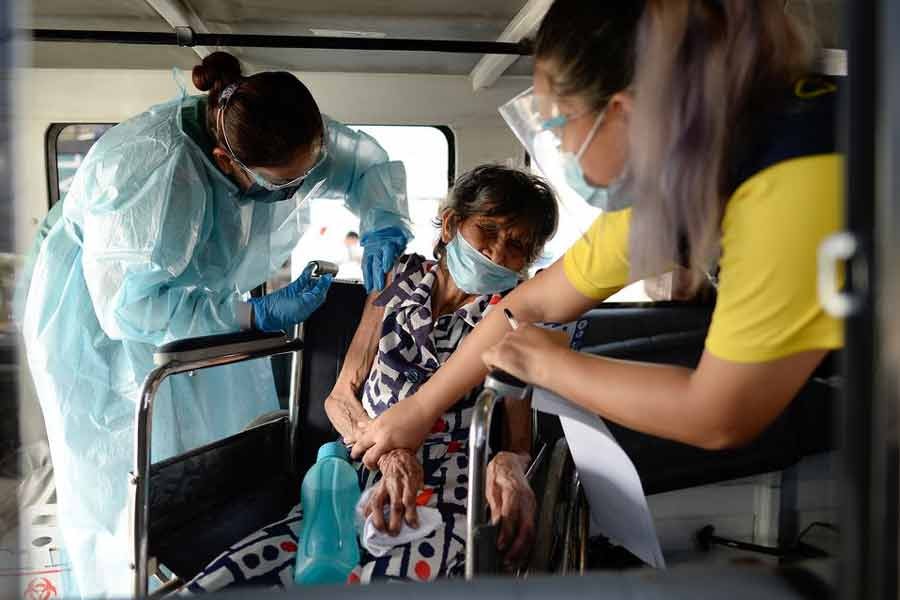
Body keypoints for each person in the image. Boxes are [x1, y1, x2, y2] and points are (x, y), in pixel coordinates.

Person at [350, 0, 842, 475]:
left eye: (559, 127)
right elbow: (533, 303)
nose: (562, 150)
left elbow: (721, 414)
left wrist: (552, 367)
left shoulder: (797, 185)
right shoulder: (689, 170)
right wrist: (419, 410)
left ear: (623, 114)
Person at [19, 51, 413, 598]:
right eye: (285, 184)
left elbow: (364, 166)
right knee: (120, 477)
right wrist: (253, 313)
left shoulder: (283, 130)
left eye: (304, 177)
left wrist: (382, 225)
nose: (298, 190)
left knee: (217, 453)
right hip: (99, 326)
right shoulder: (148, 169)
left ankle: (204, 565)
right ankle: (118, 583)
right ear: (226, 159)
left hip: (203, 307)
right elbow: (131, 310)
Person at [183, 165, 558, 591]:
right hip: (357, 473)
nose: (496, 253)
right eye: (488, 230)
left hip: (453, 482)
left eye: (517, 246)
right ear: (452, 224)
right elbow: (340, 396)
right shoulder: (398, 279)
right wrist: (389, 456)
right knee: (237, 577)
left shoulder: (511, 312)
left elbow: (519, 440)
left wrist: (508, 465)